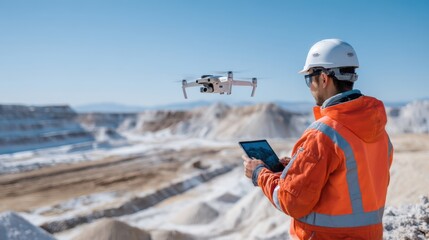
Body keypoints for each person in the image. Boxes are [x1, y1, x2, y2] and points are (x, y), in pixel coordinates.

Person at [243, 39, 393, 239]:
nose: (309, 86)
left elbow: (291, 201)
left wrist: (259, 173)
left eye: (308, 79)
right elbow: (351, 177)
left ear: (323, 78)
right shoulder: (378, 129)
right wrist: (297, 165)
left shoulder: (324, 134)